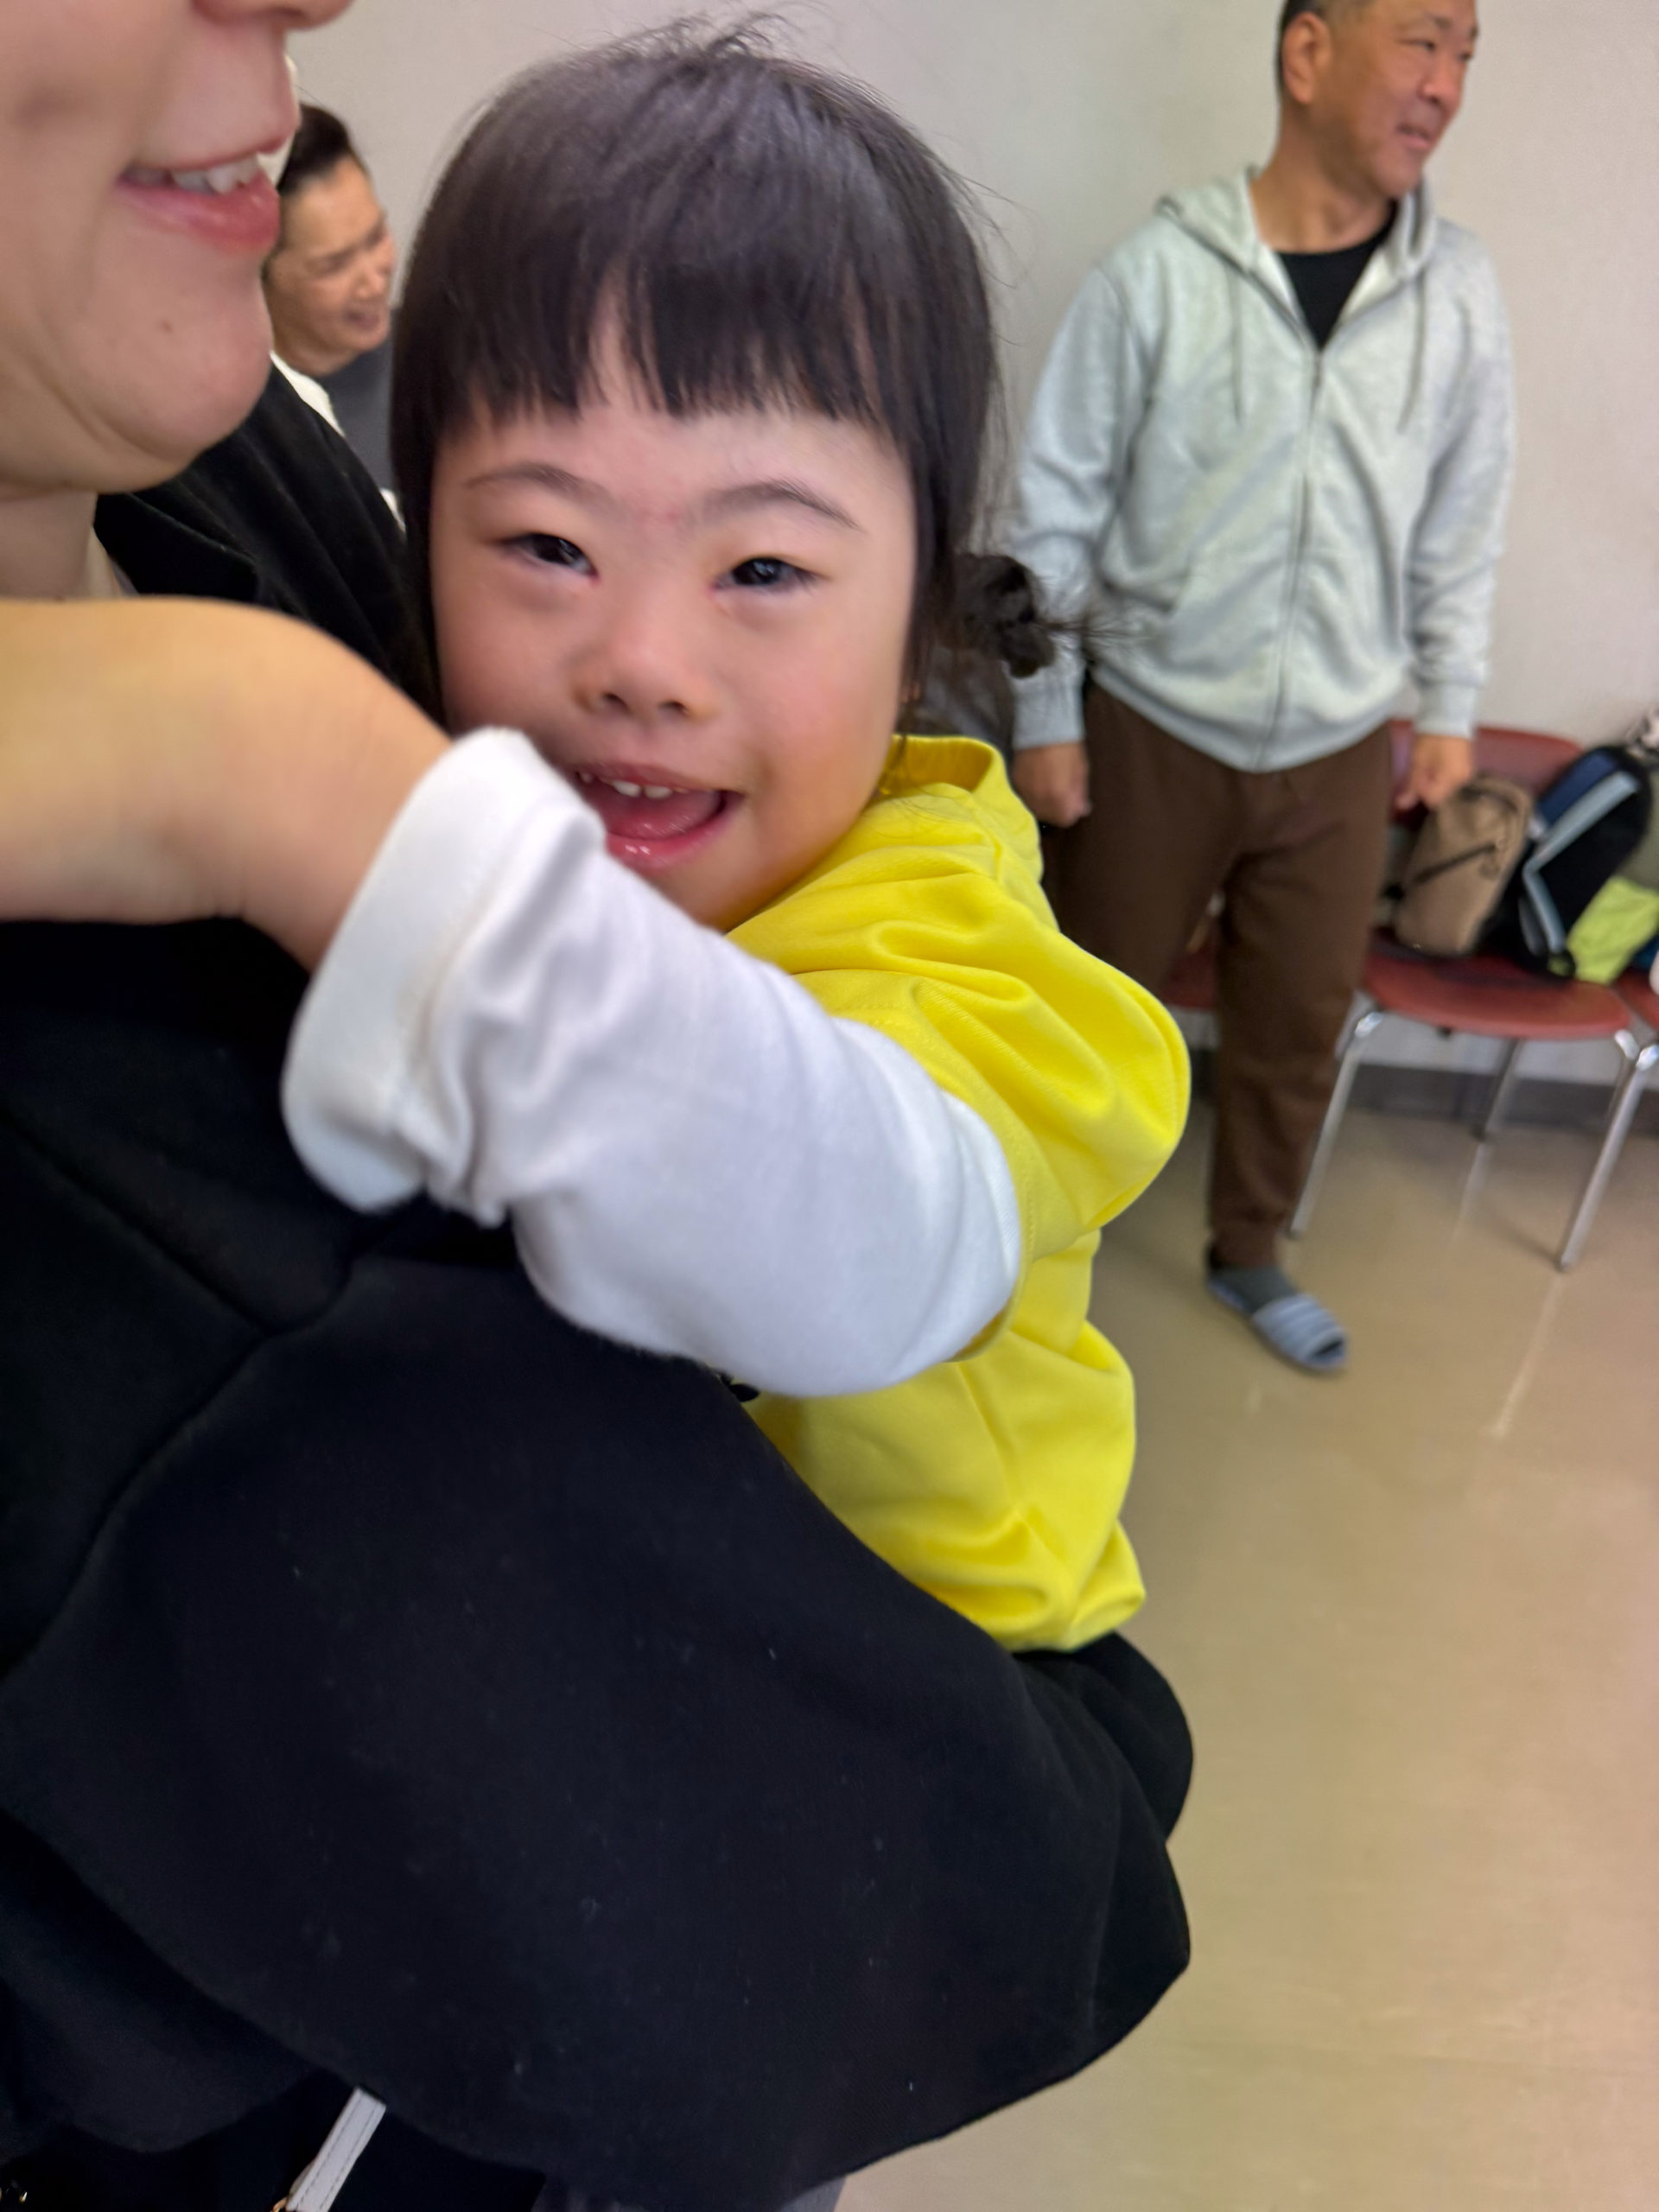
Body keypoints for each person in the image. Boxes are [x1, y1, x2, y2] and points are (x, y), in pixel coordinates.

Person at [0, 13, 1191, 2211]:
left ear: (923, 595)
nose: (642, 653)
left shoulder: (941, 937)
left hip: (882, 1742)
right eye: (540, 544)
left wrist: (293, 788)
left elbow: (863, 1247)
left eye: (766, 571)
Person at [1007, 0, 1513, 1375]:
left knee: (1294, 1026)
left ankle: (1248, 1253)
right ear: (1308, 55)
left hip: (1343, 746)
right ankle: (1032, 1248)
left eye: (1466, 54)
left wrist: (1449, 704)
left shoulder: (1458, 294)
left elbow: (1464, 520)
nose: (1446, 85)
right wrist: (1046, 713)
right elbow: (1053, 506)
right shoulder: (1158, 275)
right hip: (1152, 725)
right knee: (1090, 1007)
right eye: (1422, 40)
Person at [265, 102, 397, 490]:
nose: (373, 284)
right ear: (260, 273)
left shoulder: (448, 365)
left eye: (376, 237)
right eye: (334, 266)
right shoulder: (252, 430)